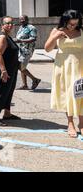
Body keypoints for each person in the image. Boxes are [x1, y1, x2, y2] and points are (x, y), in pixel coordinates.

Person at [45, 10, 83, 138]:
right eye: (71, 24)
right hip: (64, 67)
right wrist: (56, 36)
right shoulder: (56, 31)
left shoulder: (81, 31)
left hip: (80, 66)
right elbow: (47, 48)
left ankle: (82, 124)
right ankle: (70, 123)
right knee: (68, 94)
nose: (73, 27)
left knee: (81, 94)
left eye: (75, 24)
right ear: (65, 21)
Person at [0, 16, 20, 126]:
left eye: (12, 23)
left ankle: (7, 113)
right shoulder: (2, 37)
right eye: (7, 23)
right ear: (2, 25)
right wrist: (3, 71)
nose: (10, 25)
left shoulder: (8, 36)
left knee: (8, 90)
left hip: (10, 68)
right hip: (1, 68)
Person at [14, 15, 41, 90]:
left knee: (20, 66)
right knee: (21, 66)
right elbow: (19, 38)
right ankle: (24, 85)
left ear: (27, 20)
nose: (21, 20)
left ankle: (35, 79)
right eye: (20, 19)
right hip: (20, 50)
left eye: (23, 19)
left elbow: (33, 38)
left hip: (27, 51)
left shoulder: (32, 28)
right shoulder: (21, 27)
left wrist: (20, 41)